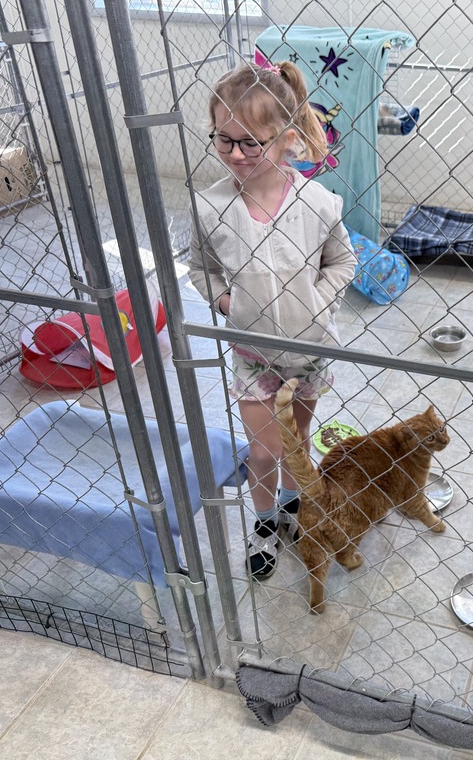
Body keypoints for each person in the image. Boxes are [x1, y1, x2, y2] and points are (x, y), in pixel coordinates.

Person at [188, 61, 356, 579]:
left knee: (296, 446)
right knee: (261, 453)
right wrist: (224, 302)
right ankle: (264, 522)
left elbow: (343, 260)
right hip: (253, 358)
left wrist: (317, 302)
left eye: (250, 143)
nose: (235, 154)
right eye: (223, 140)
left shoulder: (318, 203)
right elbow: (199, 266)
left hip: (308, 355)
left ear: (286, 139)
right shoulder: (211, 205)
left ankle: (290, 506)